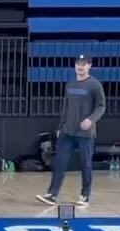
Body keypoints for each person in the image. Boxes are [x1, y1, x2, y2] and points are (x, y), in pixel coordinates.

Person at [35, 54, 105, 208]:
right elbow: (65, 108)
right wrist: (61, 127)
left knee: (85, 164)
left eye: (84, 64)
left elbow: (101, 106)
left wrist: (91, 119)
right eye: (78, 63)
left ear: (89, 66)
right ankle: (52, 194)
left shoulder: (94, 85)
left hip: (85, 134)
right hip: (67, 131)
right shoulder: (70, 84)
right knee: (60, 162)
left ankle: (85, 196)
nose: (80, 67)